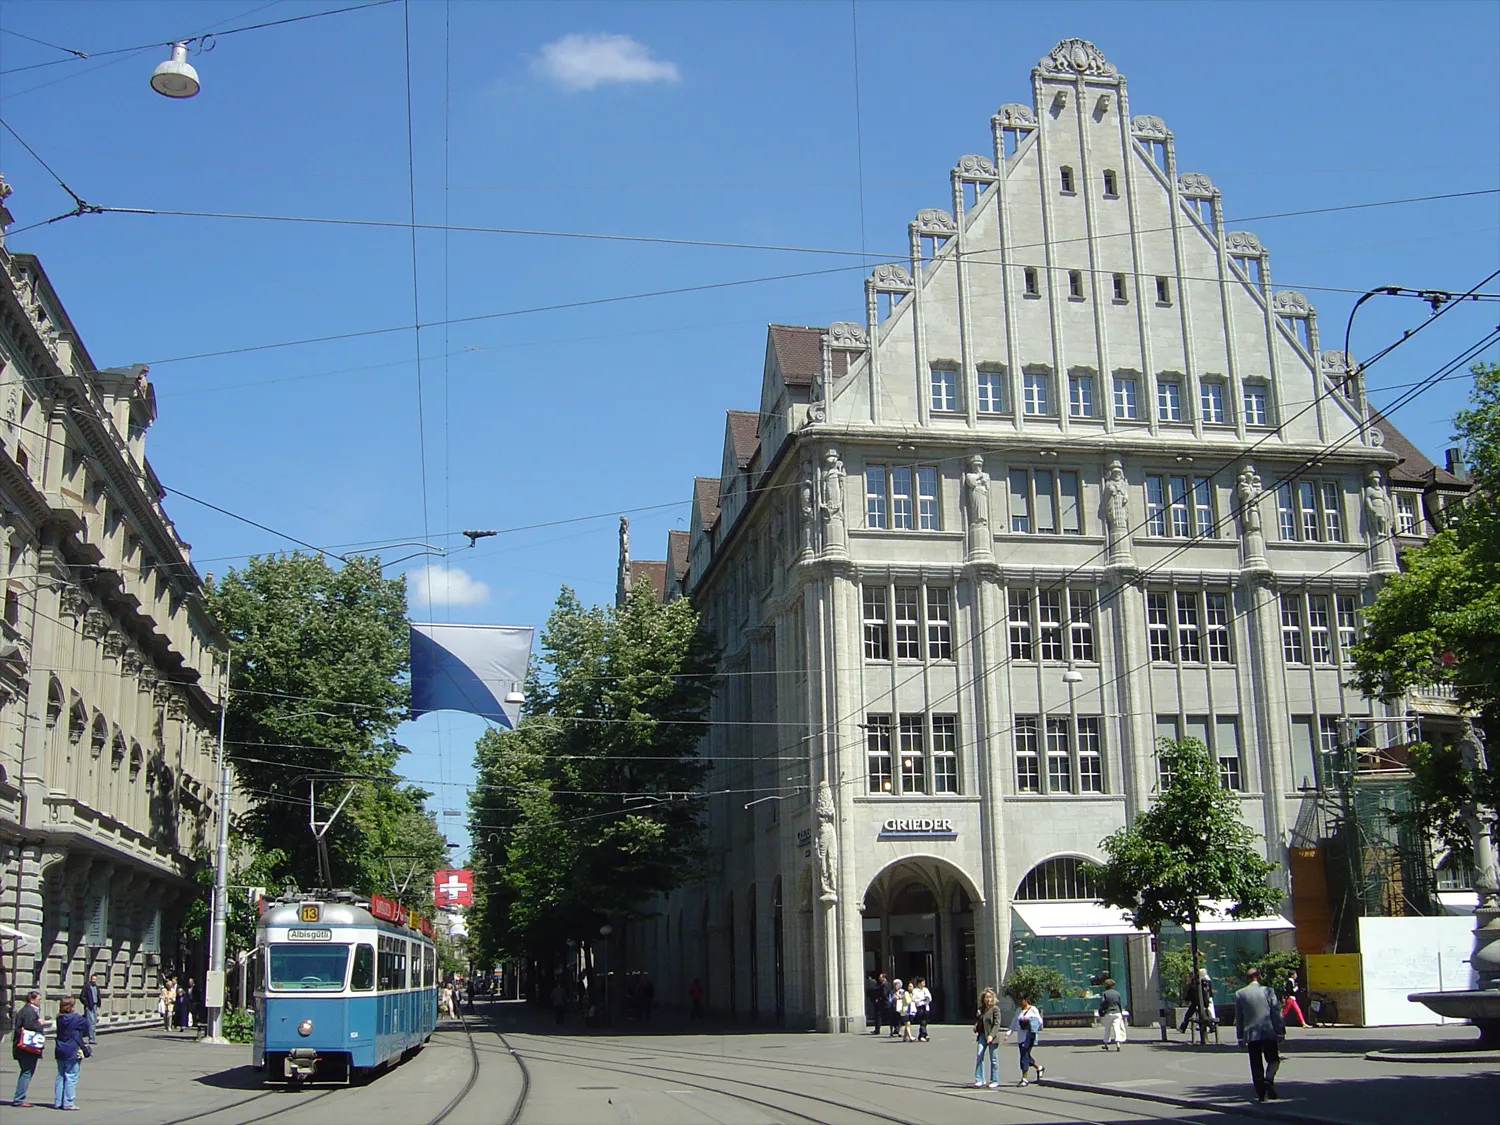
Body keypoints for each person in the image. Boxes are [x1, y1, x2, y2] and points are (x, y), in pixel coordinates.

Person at [1234, 967, 1285, 1102]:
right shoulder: (1268, 991)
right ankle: (1268, 1079)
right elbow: (1275, 1012)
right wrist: (1280, 1031)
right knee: (1273, 1059)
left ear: (1247, 978)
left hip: (1251, 1034)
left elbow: (1239, 1017)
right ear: (1259, 977)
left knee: (1256, 1064)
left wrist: (1240, 1037)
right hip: (1268, 1031)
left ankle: (1262, 1094)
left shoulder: (1240, 994)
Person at [52, 996, 89, 1111]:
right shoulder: (76, 1018)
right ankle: (68, 1101)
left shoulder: (59, 1018)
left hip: (60, 1048)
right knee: (71, 1076)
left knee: (61, 1075)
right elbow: (87, 1024)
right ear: (71, 1007)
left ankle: (58, 1101)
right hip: (72, 1049)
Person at [11, 990, 44, 1107]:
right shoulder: (29, 1011)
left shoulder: (27, 1010)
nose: (40, 1001)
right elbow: (30, 1027)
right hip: (26, 1048)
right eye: (39, 999)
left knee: (26, 1072)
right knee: (26, 1072)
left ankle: (19, 1098)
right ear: (32, 1000)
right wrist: (40, 1023)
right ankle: (19, 1099)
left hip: (24, 1047)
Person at [1003, 995, 1044, 1087]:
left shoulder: (1033, 1009)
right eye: (1018, 1001)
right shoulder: (1018, 1011)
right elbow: (1014, 1023)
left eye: (1021, 1000)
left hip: (1029, 1036)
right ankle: (1039, 1068)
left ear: (1026, 1000)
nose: (1020, 1003)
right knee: (1026, 1056)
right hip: (1020, 1038)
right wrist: (1008, 1034)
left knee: (1023, 1056)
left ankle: (1024, 1079)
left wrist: (1030, 1020)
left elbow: (1040, 1021)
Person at [973, 988, 1001, 1089]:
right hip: (982, 1036)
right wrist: (976, 1026)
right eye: (986, 997)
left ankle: (994, 1080)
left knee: (993, 1059)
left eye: (989, 997)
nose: (988, 999)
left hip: (992, 1037)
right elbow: (979, 1021)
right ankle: (979, 1079)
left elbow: (997, 1024)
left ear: (992, 998)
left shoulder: (995, 1009)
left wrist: (991, 1035)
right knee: (979, 1056)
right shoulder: (981, 1009)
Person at [1178, 968, 1214, 1035]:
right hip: (1205, 1001)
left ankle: (1183, 1028)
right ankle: (1211, 1027)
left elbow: (1191, 990)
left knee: (1188, 1015)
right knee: (1205, 1014)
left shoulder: (1196, 981)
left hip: (1196, 1001)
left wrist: (1187, 999)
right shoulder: (1207, 981)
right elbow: (1210, 992)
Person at [1098, 978, 1126, 1051]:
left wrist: (1101, 1011)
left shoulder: (1105, 993)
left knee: (1107, 1029)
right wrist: (1120, 1012)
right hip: (1117, 1012)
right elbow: (1119, 1003)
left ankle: (1106, 1044)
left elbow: (1103, 1003)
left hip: (1109, 1012)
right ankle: (1118, 1043)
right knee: (1117, 1028)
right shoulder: (1117, 993)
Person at [80, 975, 101, 1046]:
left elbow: (98, 996)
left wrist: (98, 1005)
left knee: (94, 1022)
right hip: (89, 1006)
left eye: (95, 979)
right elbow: (82, 996)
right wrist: (87, 1003)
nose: (94, 981)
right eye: (93, 979)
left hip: (95, 1006)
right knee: (91, 1022)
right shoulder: (87, 987)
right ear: (90, 979)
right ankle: (91, 1039)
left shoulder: (96, 987)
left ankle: (87, 1036)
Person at [911, 977, 932, 1043]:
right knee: (922, 1021)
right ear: (919, 983)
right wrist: (921, 1000)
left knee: (924, 1022)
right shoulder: (915, 990)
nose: (924, 984)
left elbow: (929, 997)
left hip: (926, 1007)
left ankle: (922, 1035)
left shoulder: (925, 989)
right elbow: (914, 999)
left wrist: (926, 1000)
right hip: (919, 1007)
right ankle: (925, 1034)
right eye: (923, 982)